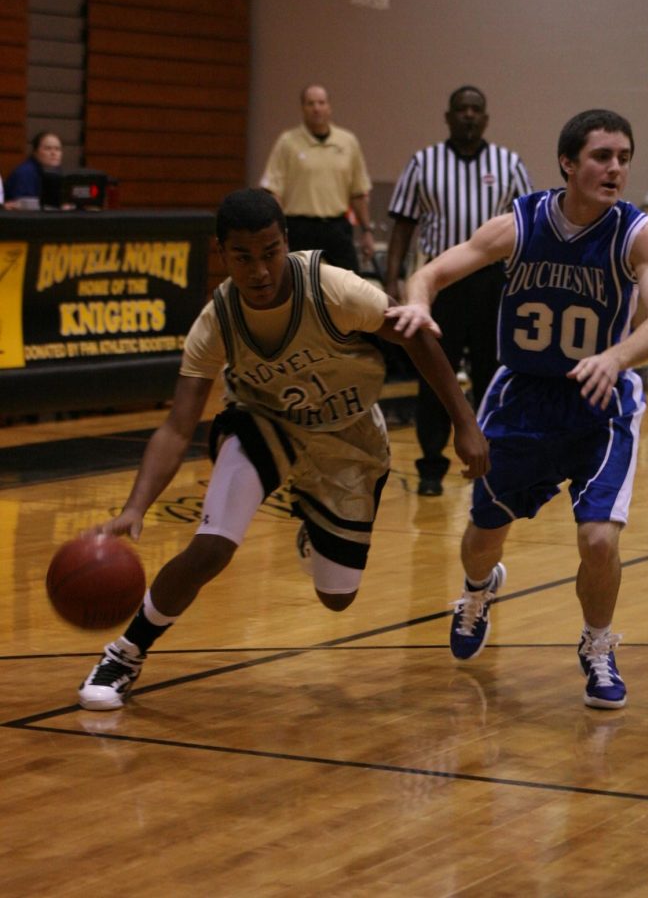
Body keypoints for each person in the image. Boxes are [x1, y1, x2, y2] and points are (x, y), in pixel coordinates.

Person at [77, 187, 489, 711]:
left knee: (337, 599)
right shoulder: (217, 320)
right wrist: (135, 507)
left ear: (286, 243)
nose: (260, 270)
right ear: (222, 254)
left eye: (269, 252)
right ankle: (124, 653)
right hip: (262, 422)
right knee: (213, 546)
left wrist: (465, 423)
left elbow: (418, 338)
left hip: (348, 433)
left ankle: (312, 529)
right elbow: (178, 427)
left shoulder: (335, 289)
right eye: (242, 257)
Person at [387, 109, 648, 709]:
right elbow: (432, 271)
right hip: (523, 396)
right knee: (485, 533)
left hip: (601, 402)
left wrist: (615, 358)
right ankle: (478, 589)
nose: (615, 167)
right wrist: (415, 305)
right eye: (601, 156)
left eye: (623, 157)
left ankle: (597, 646)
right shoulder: (521, 222)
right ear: (568, 162)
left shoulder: (638, 233)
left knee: (597, 539)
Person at [386, 86, 533, 496]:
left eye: (476, 110)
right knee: (436, 373)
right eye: (461, 109)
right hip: (441, 284)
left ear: (485, 119)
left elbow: (529, 227)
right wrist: (393, 276)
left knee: (493, 376)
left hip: (493, 284)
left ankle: (493, 461)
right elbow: (402, 224)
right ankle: (431, 467)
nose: (469, 116)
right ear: (448, 116)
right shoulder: (423, 163)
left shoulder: (510, 164)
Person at [260, 84, 374, 272]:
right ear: (302, 108)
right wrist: (279, 232)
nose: (316, 108)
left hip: (336, 226)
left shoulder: (348, 142)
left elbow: (358, 192)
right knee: (297, 284)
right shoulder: (287, 142)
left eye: (321, 103)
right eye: (310, 103)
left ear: (329, 107)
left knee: (351, 285)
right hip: (299, 228)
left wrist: (367, 231)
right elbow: (274, 191)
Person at [4, 130, 63, 207]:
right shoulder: (24, 173)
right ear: (35, 152)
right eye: (48, 148)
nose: (54, 153)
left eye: (57, 149)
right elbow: (24, 206)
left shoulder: (58, 173)